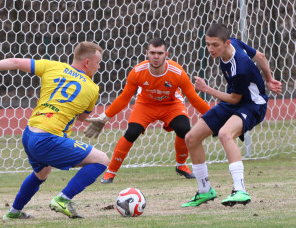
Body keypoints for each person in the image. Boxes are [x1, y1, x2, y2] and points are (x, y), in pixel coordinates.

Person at [0, 42, 108, 220]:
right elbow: (81, 118)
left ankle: (14, 212)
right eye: (98, 62)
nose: (99, 66)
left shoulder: (52, 66)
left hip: (29, 134)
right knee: (101, 160)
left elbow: (14, 61)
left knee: (42, 173)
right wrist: (99, 121)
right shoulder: (92, 88)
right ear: (86, 63)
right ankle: (63, 199)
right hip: (48, 138)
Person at [82, 37, 210, 184]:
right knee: (132, 132)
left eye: (160, 53)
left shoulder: (177, 72)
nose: (156, 56)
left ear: (166, 54)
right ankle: (111, 172)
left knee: (184, 128)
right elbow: (124, 98)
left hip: (171, 104)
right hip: (145, 104)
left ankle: (181, 165)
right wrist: (105, 117)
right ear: (146, 53)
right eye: (153, 52)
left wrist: (215, 116)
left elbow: (193, 98)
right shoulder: (137, 71)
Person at [181, 23, 283, 208]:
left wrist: (206, 89)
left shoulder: (240, 67)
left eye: (215, 45)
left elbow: (235, 99)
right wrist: (269, 78)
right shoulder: (232, 43)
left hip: (252, 105)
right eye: (208, 44)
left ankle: (240, 189)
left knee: (225, 134)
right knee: (191, 138)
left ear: (226, 43)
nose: (210, 49)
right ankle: (205, 191)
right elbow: (260, 56)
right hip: (234, 101)